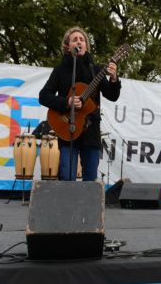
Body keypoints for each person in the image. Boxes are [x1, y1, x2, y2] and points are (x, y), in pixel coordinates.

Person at [39, 27, 121, 181]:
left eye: (82, 39)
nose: (79, 42)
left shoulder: (96, 70)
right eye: (75, 39)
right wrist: (67, 102)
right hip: (67, 129)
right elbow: (44, 96)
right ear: (67, 47)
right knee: (67, 176)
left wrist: (114, 78)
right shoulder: (60, 70)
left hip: (91, 132)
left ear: (86, 46)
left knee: (90, 180)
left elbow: (112, 95)